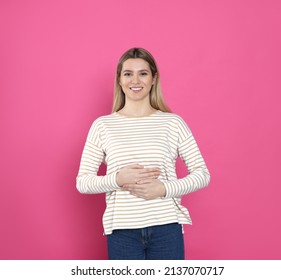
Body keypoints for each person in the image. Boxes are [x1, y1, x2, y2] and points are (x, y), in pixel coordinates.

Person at [76, 47, 210, 260]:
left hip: (166, 228)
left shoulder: (172, 123)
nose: (135, 80)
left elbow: (202, 174)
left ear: (154, 78)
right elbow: (82, 182)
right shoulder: (103, 126)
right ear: (119, 80)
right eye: (128, 73)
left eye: (143, 73)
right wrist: (118, 179)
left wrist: (164, 189)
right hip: (122, 231)